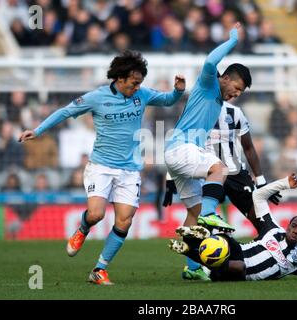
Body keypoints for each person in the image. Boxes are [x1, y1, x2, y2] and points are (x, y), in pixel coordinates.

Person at [19, 50, 186, 285]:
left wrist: (178, 89)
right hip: (102, 166)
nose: (138, 87)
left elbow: (168, 100)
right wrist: (37, 131)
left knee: (125, 220)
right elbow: (66, 111)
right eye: (134, 82)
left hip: (129, 170)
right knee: (97, 214)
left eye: (140, 83)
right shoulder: (96, 97)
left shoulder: (143, 94)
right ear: (120, 78)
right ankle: (83, 228)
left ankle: (99, 269)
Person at [164, 22, 252, 280]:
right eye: (236, 89)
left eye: (240, 93)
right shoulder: (209, 83)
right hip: (180, 148)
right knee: (219, 169)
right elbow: (209, 61)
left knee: (194, 211)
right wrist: (233, 39)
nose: (235, 95)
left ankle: (191, 268)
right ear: (225, 79)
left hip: (178, 154)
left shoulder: (218, 98)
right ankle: (211, 215)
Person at [169, 173, 297, 282]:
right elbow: (257, 195)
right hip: (237, 250)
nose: (296, 230)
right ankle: (204, 236)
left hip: (239, 273)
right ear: (288, 226)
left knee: (238, 267)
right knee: (225, 240)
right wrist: (284, 184)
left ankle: (190, 248)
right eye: (294, 226)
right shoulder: (272, 229)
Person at [164, 100, 282, 239]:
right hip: (206, 171)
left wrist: (261, 180)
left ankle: (274, 252)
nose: (237, 94)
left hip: (233, 172)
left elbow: (248, 147)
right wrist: (170, 177)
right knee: (197, 219)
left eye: (240, 90)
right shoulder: (195, 111)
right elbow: (181, 146)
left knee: (261, 220)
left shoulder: (235, 112)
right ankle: (194, 259)